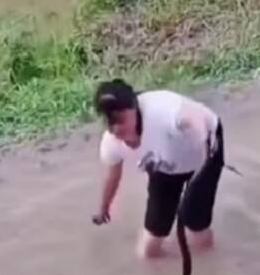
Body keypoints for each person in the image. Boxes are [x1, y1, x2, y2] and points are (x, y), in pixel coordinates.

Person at [91, 79, 224, 259]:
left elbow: (195, 118)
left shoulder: (163, 112)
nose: (115, 129)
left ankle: (209, 263)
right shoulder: (111, 143)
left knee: (195, 221)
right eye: (109, 122)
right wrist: (103, 208)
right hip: (164, 164)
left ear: (134, 108)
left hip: (204, 153)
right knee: (152, 239)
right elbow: (112, 174)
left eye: (119, 120)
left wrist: (200, 144)